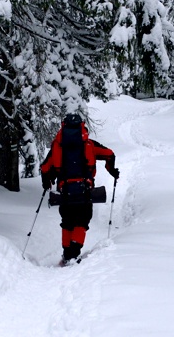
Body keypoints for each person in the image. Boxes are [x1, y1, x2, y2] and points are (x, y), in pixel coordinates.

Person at [40, 113, 120, 264]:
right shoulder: (89, 144)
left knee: (67, 221)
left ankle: (66, 254)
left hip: (65, 190)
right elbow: (109, 154)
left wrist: (48, 181)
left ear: (63, 127)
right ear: (82, 126)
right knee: (81, 221)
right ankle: (74, 253)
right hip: (85, 190)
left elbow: (45, 167)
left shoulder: (57, 146)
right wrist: (112, 170)